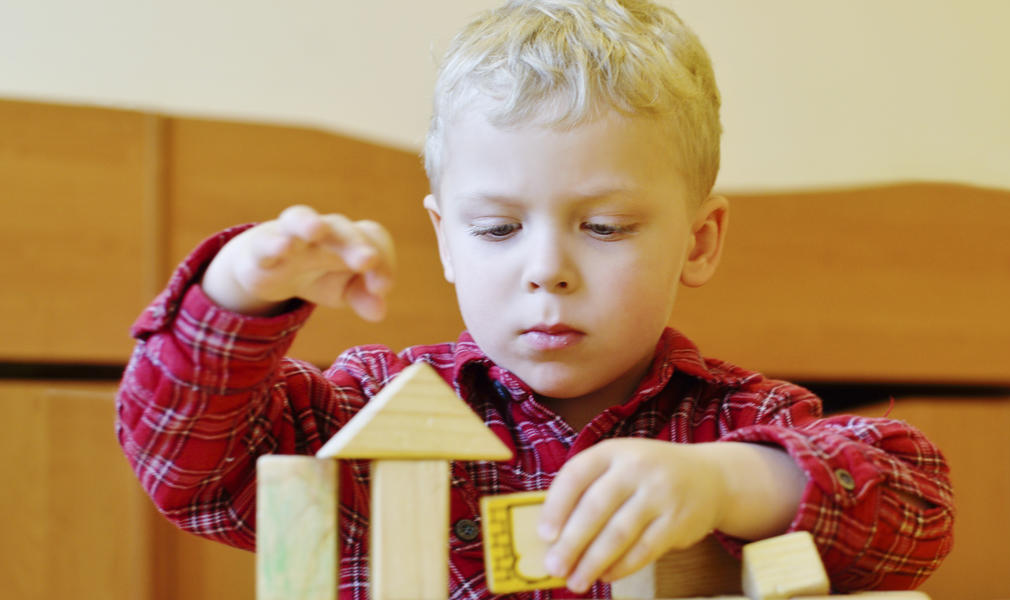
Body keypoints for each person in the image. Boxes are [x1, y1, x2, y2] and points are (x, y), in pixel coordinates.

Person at [116, 1, 954, 598]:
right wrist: (236, 295)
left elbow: (917, 506)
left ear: (697, 242)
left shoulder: (737, 423)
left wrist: (731, 482)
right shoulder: (369, 413)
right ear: (444, 238)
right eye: (495, 230)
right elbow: (189, 467)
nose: (546, 271)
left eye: (606, 226)